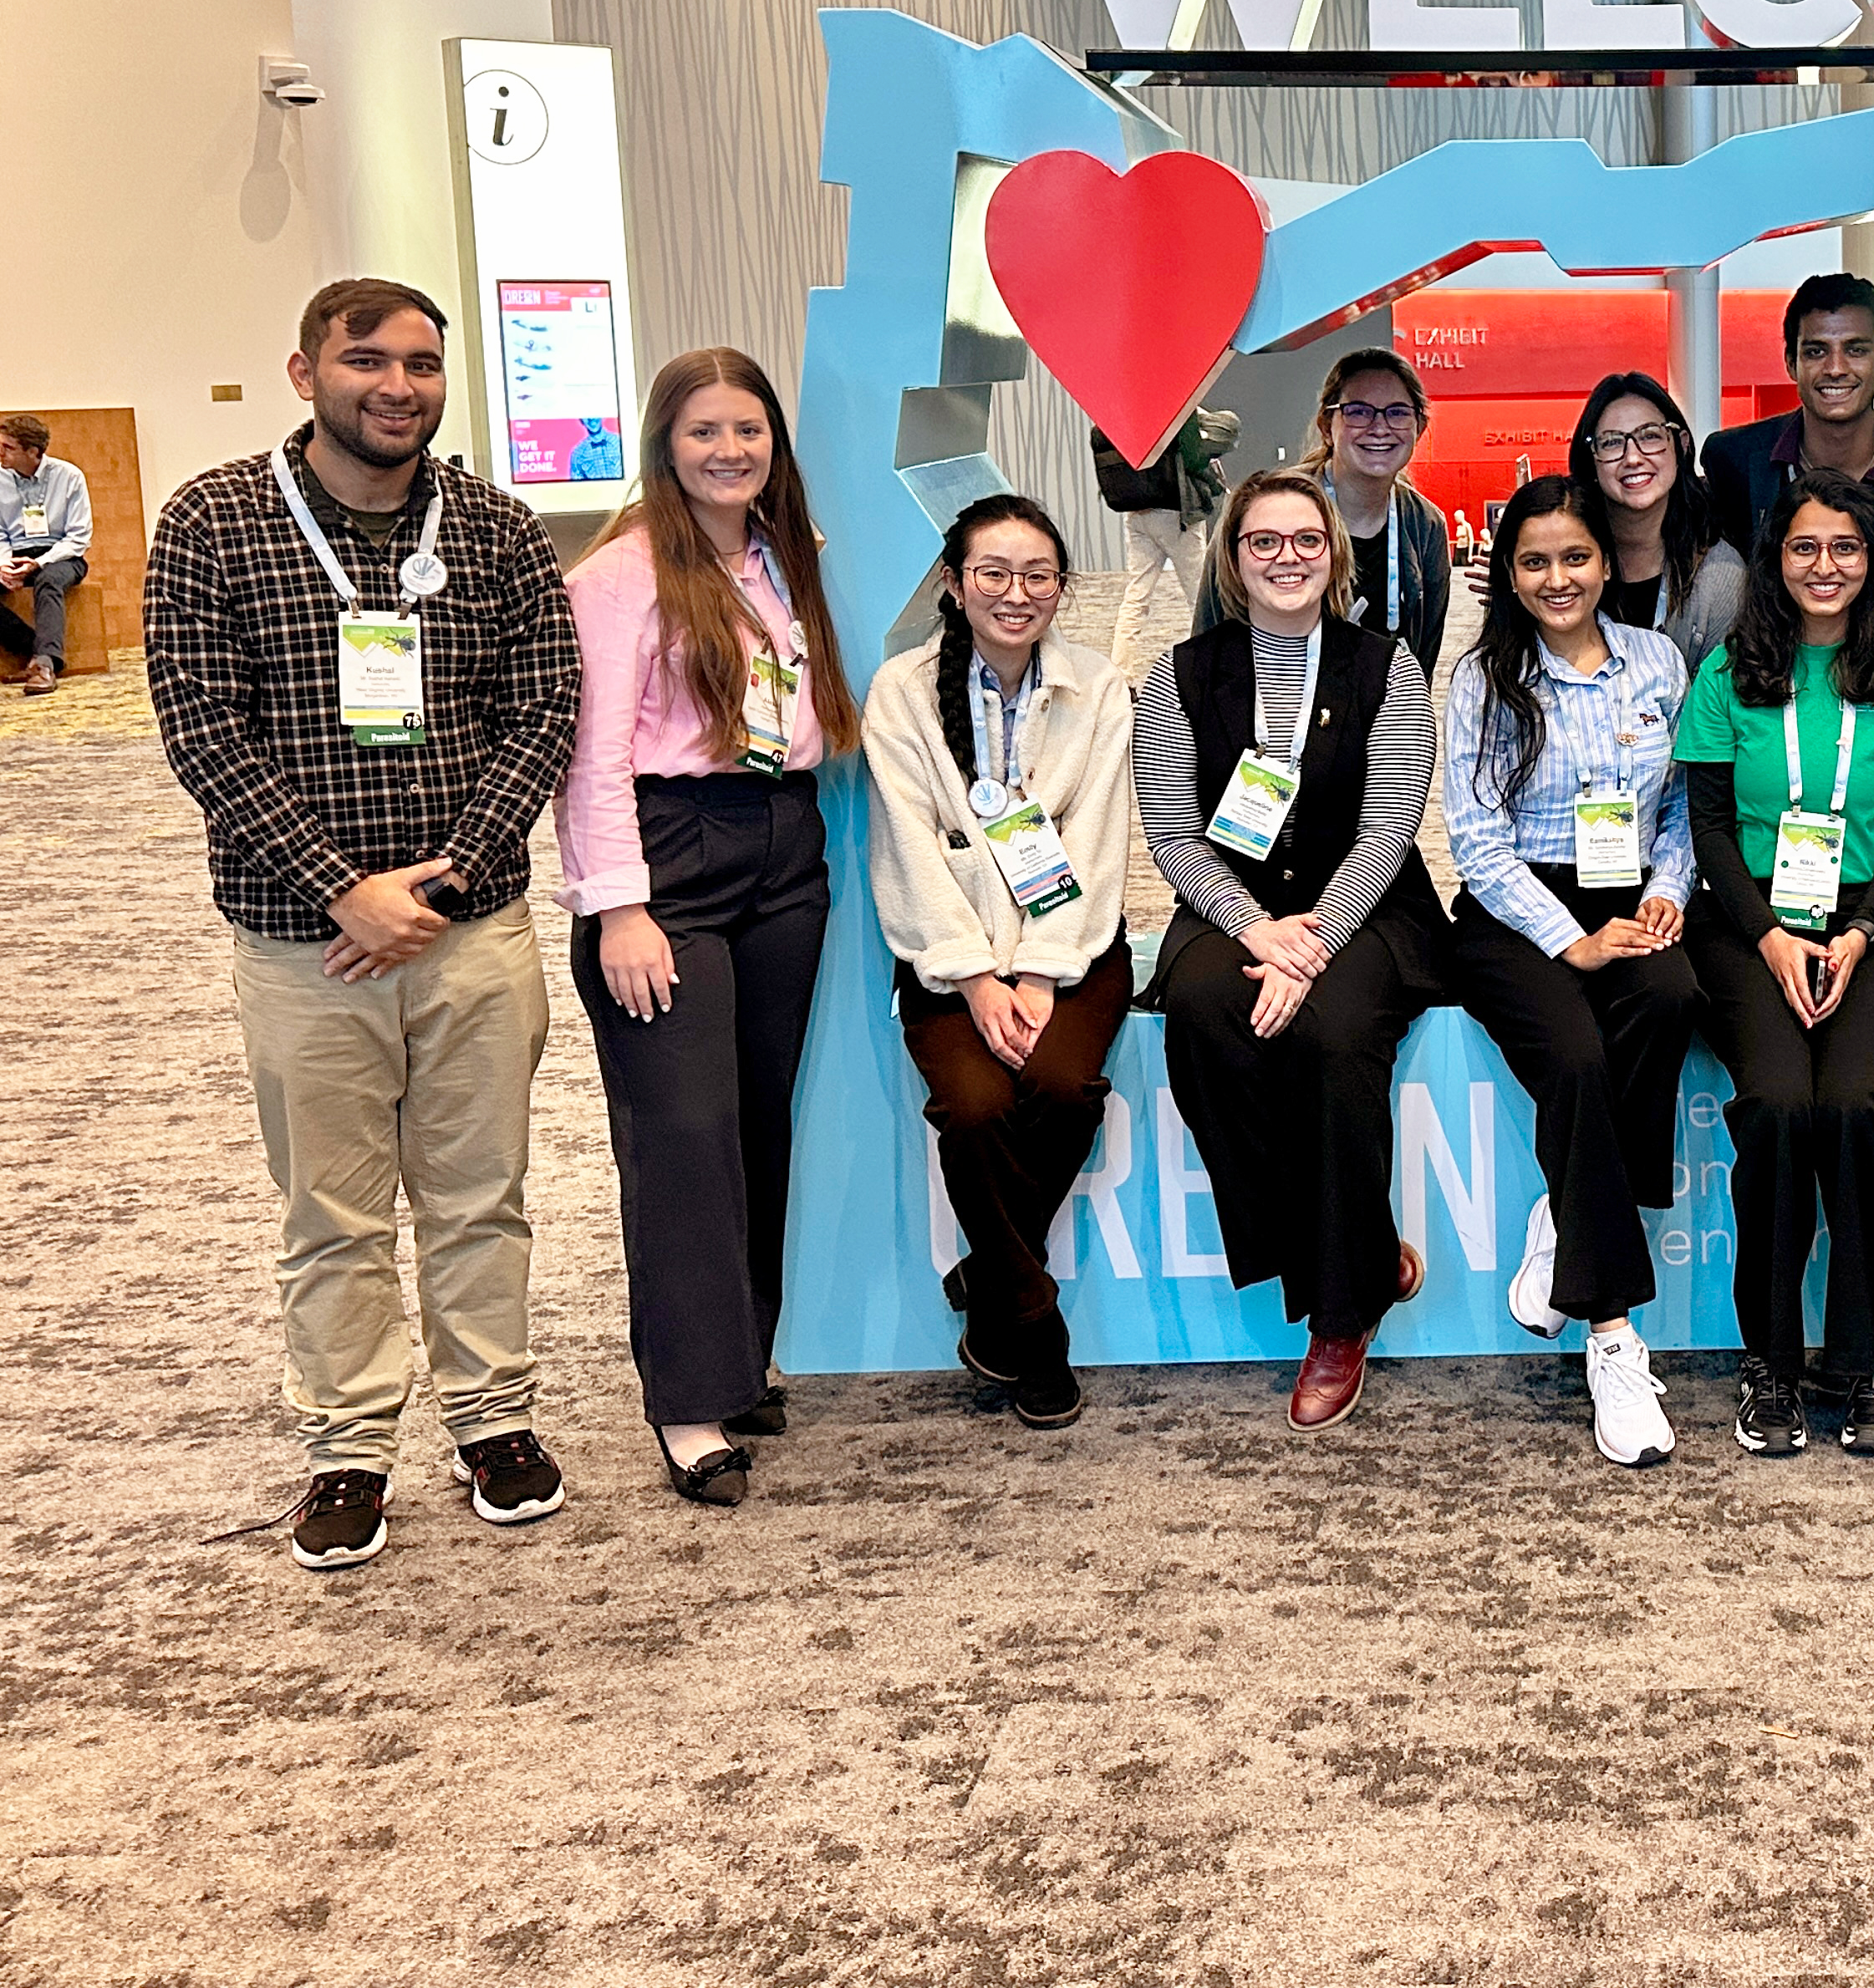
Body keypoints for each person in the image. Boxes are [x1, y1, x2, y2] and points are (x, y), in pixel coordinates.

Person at [144, 278, 580, 1570]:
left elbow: (543, 711)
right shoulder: (214, 524)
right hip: (303, 940)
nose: (399, 386)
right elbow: (202, 729)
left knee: (480, 1194)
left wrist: (436, 885)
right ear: (304, 373)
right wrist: (345, 887)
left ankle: (493, 1419)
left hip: (473, 931)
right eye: (369, 361)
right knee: (330, 1209)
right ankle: (347, 1445)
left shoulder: (498, 529)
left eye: (424, 365)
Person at [560, 346, 862, 1507]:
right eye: (704, 433)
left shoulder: (783, 560)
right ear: (663, 445)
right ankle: (688, 1403)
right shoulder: (623, 574)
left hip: (787, 847)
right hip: (667, 858)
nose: (730, 451)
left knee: (756, 1123)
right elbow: (591, 760)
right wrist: (619, 907)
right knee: (682, 1131)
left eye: (749, 431)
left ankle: (741, 1360)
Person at [1138, 466, 1446, 1431]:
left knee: (1332, 1034)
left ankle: (1340, 1320)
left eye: (1305, 541)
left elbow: (1391, 825)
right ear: (1233, 560)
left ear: (1334, 555)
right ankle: (1357, 1253)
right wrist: (1252, 929)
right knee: (1200, 1013)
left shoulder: (1384, 666)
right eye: (1263, 542)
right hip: (1234, 903)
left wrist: (1310, 943)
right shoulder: (1178, 675)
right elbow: (1173, 831)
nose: (1286, 558)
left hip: (1367, 907)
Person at [1674, 470, 1874, 1459]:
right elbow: (1707, 827)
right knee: (1780, 1107)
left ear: (1872, 561)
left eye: (1845, 548)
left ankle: (1871, 1363)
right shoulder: (1728, 674)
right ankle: (1772, 1365)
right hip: (1747, 923)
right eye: (1803, 548)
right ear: (1774, 561)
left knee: (1857, 1108)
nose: (1823, 566)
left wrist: (1859, 934)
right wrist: (1774, 938)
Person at [866, 491, 1143, 1432]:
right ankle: (1031, 1328)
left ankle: (989, 1276)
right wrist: (976, 976)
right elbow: (905, 845)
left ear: (1063, 589)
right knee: (977, 1107)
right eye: (993, 572)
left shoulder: (1099, 690)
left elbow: (1101, 842)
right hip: (947, 956)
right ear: (954, 582)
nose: (1016, 593)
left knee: (1064, 1089)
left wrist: (1037, 974)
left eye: (1038, 575)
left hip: (1073, 952)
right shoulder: (902, 691)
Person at [1442, 475, 1702, 1467]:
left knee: (1672, 994)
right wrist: (1571, 941)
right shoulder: (1484, 679)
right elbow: (1475, 841)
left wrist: (1668, 891)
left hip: (1631, 890)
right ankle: (1611, 1335)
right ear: (1509, 574)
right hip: (1516, 913)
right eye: (1536, 561)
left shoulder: (1656, 661)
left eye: (1576, 557)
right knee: (1580, 1055)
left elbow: (1679, 806)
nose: (1559, 579)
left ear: (1607, 561)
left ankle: (1565, 1207)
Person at [1698, 272, 1874, 631]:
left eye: (1856, 350)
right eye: (1816, 351)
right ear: (1790, 362)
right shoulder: (1733, 460)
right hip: (1772, 679)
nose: (1835, 369)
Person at [1192, 350, 1449, 674]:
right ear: (1327, 426)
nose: (1380, 427)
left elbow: (1422, 659)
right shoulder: (1264, 511)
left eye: (1397, 413)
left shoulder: (1426, 527)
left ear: (1419, 427)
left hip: (1379, 714)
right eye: (1358, 412)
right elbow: (1211, 627)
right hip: (1271, 706)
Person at [1571, 370, 1747, 674]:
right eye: (1612, 442)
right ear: (1592, 459)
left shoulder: (1718, 574)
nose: (1633, 458)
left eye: (1650, 436)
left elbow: (1720, 707)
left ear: (1681, 445)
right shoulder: (1564, 564)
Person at [1091, 410, 1223, 640]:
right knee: (1200, 597)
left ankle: (1122, 669)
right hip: (1174, 513)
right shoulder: (1177, 408)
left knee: (1136, 597)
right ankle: (1209, 662)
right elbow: (1193, 459)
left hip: (1136, 512)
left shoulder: (1118, 412)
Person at [0, 412, 94, 694]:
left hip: (61, 556)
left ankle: (44, 665)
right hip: (15, 553)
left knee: (48, 580)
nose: (0, 452)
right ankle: (35, 649)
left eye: (8, 448)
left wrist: (38, 563)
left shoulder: (69, 477)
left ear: (33, 452)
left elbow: (78, 538)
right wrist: (4, 564)